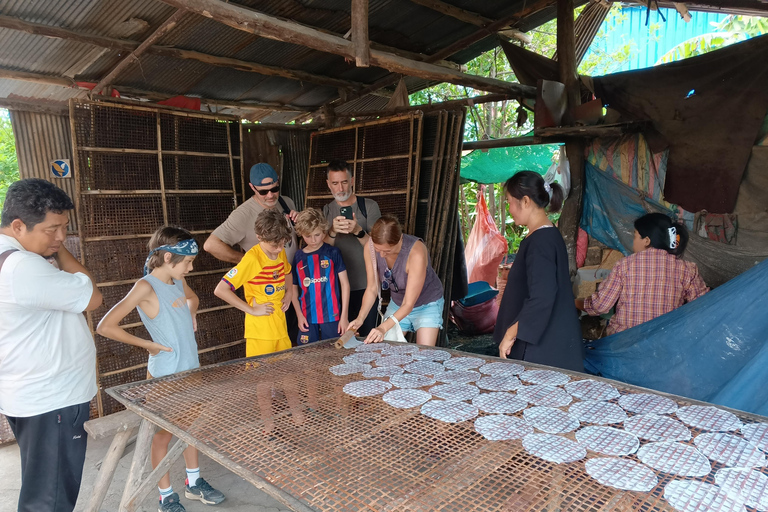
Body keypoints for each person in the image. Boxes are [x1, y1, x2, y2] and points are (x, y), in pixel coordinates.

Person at [96, 227, 225, 511]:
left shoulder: (176, 280)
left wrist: (190, 312)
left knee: (191, 429)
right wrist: (148, 345)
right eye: (188, 262)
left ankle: (194, 483)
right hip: (165, 375)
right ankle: (165, 495)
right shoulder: (146, 287)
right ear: (168, 257)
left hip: (191, 369)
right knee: (163, 435)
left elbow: (193, 299)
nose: (190, 268)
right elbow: (105, 326)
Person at [0, 178, 103, 512]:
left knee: (41, 489)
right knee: (50, 500)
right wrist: (61, 252)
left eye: (65, 228)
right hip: (52, 401)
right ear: (18, 226)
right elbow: (93, 297)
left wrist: (49, 243)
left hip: (29, 394)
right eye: (52, 229)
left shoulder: (10, 257)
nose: (61, 237)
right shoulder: (23, 267)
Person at [494, 171, 583, 372]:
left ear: (525, 201)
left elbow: (542, 296)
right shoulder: (546, 235)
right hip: (547, 342)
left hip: (541, 349)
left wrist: (511, 334)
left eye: (509, 202)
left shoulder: (540, 242)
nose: (509, 210)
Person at [204, 163, 300, 343]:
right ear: (252, 187)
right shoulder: (242, 214)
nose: (270, 195)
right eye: (263, 192)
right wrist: (248, 261)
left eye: (274, 189)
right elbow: (211, 245)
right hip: (266, 291)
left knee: (292, 339)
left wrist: (300, 223)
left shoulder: (286, 202)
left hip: (290, 282)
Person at [577, 212, 709, 335]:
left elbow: (600, 306)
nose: (633, 241)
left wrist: (576, 303)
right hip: (666, 343)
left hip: (624, 342)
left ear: (646, 240)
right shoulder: (687, 269)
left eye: (635, 236)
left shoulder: (624, 265)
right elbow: (704, 307)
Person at [349, 215, 444, 346]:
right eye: (378, 250)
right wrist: (360, 318)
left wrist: (382, 327)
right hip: (398, 302)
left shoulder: (416, 252)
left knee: (424, 354)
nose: (381, 255)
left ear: (399, 240)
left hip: (426, 303)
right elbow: (372, 288)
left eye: (387, 251)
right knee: (386, 351)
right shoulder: (370, 247)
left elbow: (408, 304)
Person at [214, 208, 294, 356]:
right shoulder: (252, 259)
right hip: (261, 332)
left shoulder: (280, 252)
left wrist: (289, 292)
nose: (278, 249)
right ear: (259, 237)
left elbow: (287, 271)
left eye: (282, 244)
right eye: (274, 245)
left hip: (280, 326)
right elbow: (220, 289)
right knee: (260, 377)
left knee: (285, 372)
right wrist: (251, 310)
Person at [323, 160, 381, 336]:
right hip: (337, 288)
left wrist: (358, 231)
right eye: (335, 183)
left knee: (368, 337)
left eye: (344, 182)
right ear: (328, 184)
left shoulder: (368, 207)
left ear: (352, 181)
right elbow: (322, 251)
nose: (340, 188)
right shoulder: (326, 211)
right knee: (344, 339)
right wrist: (332, 231)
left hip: (367, 285)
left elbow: (379, 248)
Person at [291, 208, 350, 345]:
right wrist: (299, 315)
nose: (313, 240)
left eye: (317, 235)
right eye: (307, 236)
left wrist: (344, 316)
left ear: (324, 231)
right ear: (300, 234)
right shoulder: (298, 257)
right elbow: (293, 289)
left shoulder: (333, 252)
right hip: (307, 317)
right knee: (307, 354)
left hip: (332, 316)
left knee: (335, 353)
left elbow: (345, 285)